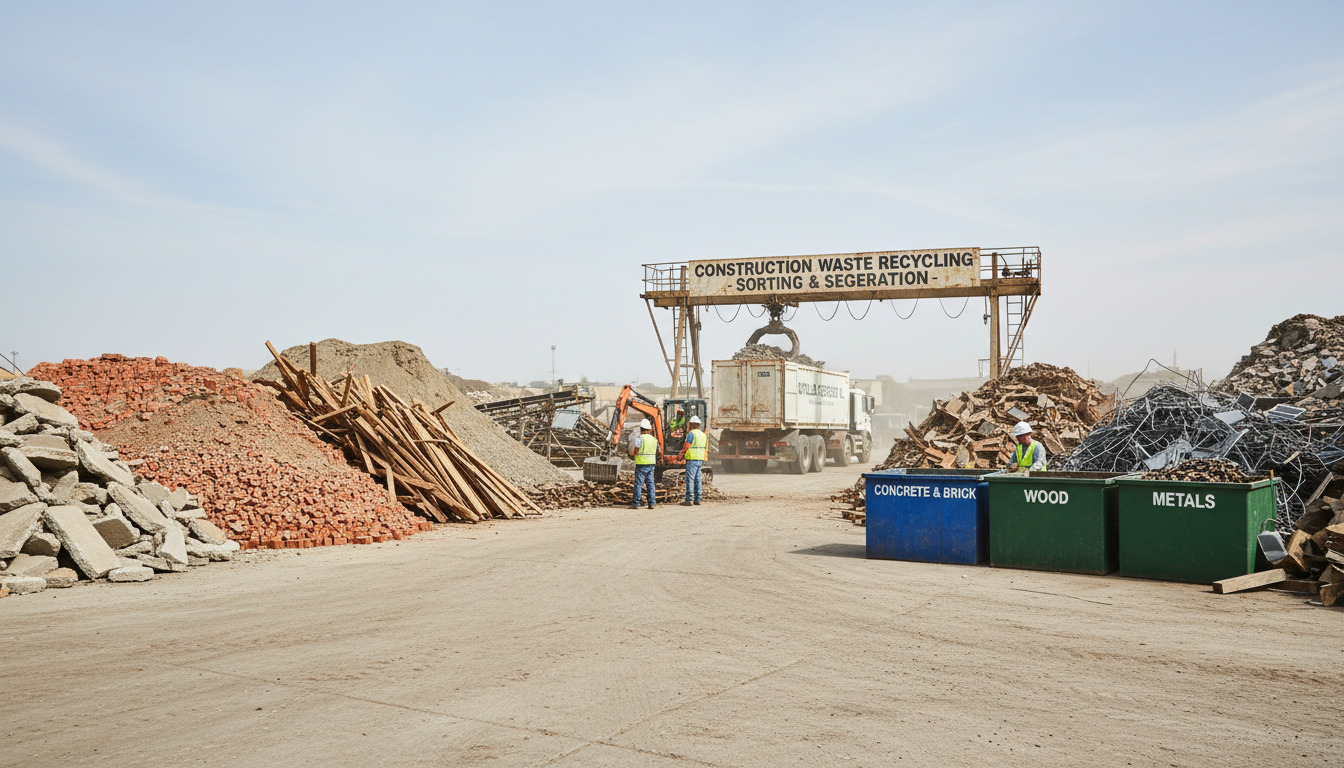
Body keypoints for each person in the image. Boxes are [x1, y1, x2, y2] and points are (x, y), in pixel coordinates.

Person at [677, 415, 708, 506]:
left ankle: (689, 499)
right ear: (699, 425)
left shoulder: (691, 434)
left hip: (692, 459)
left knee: (690, 479)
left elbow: (686, 446)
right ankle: (697, 499)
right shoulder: (703, 435)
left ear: (690, 425)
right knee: (698, 479)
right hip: (700, 459)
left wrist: (680, 456)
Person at [629, 418, 659, 509]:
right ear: (650, 430)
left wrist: (633, 455)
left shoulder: (639, 439)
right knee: (650, 483)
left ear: (641, 430)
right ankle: (652, 503)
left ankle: (636, 503)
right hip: (651, 464)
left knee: (639, 484)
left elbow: (636, 450)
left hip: (641, 463)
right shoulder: (654, 440)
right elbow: (658, 451)